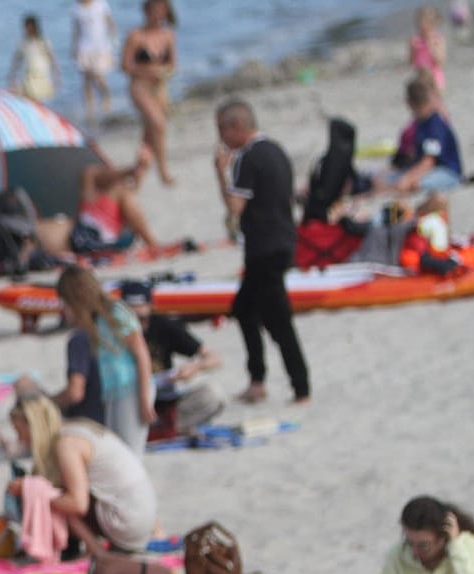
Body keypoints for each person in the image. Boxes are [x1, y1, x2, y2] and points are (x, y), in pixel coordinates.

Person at [215, 100, 310, 405]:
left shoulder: (248, 157)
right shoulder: (276, 151)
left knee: (277, 318)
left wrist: (221, 172)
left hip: (265, 248)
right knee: (244, 308)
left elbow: (234, 208)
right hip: (282, 240)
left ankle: (300, 387)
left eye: (222, 130)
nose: (221, 139)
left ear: (237, 127)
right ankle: (258, 380)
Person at [7, 392, 157, 553]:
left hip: (128, 521)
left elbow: (77, 504)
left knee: (56, 495)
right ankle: (92, 549)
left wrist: (29, 491)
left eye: (19, 431)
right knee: (57, 491)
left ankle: (95, 551)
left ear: (33, 427)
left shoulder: (67, 444)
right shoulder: (76, 430)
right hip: (142, 516)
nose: (20, 439)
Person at [53, 267, 155, 452]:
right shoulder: (93, 321)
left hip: (131, 388)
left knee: (130, 451)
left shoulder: (115, 311)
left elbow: (141, 355)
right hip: (112, 392)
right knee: (118, 449)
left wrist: (144, 398)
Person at [118, 280, 226, 436]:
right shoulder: (112, 331)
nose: (137, 325)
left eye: (142, 318)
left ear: (150, 306)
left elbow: (214, 357)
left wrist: (195, 367)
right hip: (129, 399)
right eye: (130, 317)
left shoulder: (162, 325)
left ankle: (164, 428)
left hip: (164, 397)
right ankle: (158, 429)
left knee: (213, 394)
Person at [121, 0, 178, 186]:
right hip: (140, 87)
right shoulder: (135, 36)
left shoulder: (168, 35)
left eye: (162, 10)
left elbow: (173, 65)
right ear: (147, 11)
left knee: (149, 133)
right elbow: (125, 66)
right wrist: (148, 72)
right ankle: (163, 172)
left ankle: (137, 175)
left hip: (160, 87)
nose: (159, 14)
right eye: (156, 10)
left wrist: (163, 72)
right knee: (158, 125)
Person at [374, 78, 464, 194]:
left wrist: (408, 178)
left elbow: (429, 160)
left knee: (414, 184)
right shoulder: (420, 123)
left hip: (447, 171)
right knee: (385, 179)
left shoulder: (434, 125)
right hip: (427, 168)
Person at [71, 0, 117, 125]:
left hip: (101, 46)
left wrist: (114, 40)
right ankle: (89, 111)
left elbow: (110, 22)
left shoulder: (101, 4)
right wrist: (74, 46)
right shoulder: (76, 7)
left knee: (98, 76)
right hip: (84, 47)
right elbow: (77, 29)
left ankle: (106, 96)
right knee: (86, 80)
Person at [9, 15, 61, 103]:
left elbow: (52, 59)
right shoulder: (23, 43)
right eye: (26, 27)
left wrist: (56, 75)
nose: (28, 30)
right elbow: (16, 62)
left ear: (35, 27)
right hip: (29, 76)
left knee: (39, 100)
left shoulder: (43, 42)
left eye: (30, 27)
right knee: (30, 100)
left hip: (42, 76)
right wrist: (12, 77)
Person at [412, 7, 448, 95]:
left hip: (435, 76)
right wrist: (412, 49)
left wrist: (431, 46)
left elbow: (440, 61)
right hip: (421, 76)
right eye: (419, 23)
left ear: (432, 24)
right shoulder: (416, 40)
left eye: (423, 23)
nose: (420, 26)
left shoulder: (438, 40)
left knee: (435, 96)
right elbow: (412, 62)